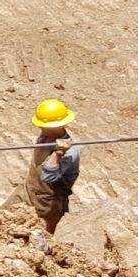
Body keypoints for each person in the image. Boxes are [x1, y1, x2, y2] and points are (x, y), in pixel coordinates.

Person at [25, 98, 82, 235]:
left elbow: (48, 176)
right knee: (2, 219)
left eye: (45, 127)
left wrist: (58, 153)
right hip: (27, 190)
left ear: (58, 125)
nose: (41, 129)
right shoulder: (46, 135)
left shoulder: (70, 153)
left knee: (37, 238)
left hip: (47, 201)